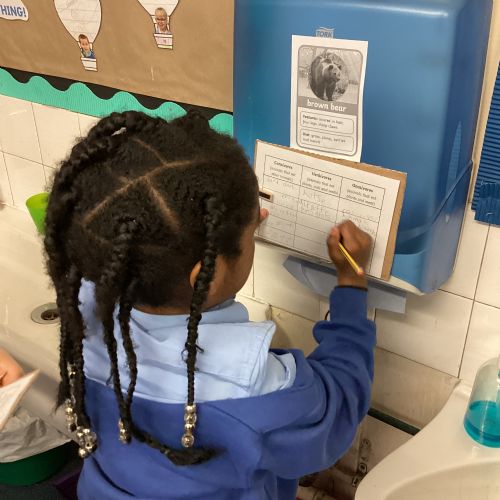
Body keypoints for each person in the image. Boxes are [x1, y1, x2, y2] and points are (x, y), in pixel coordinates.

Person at [43, 110, 375, 499]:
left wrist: (233, 230)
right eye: (252, 233)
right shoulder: (254, 387)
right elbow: (339, 406)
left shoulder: (85, 312)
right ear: (209, 273)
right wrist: (351, 283)